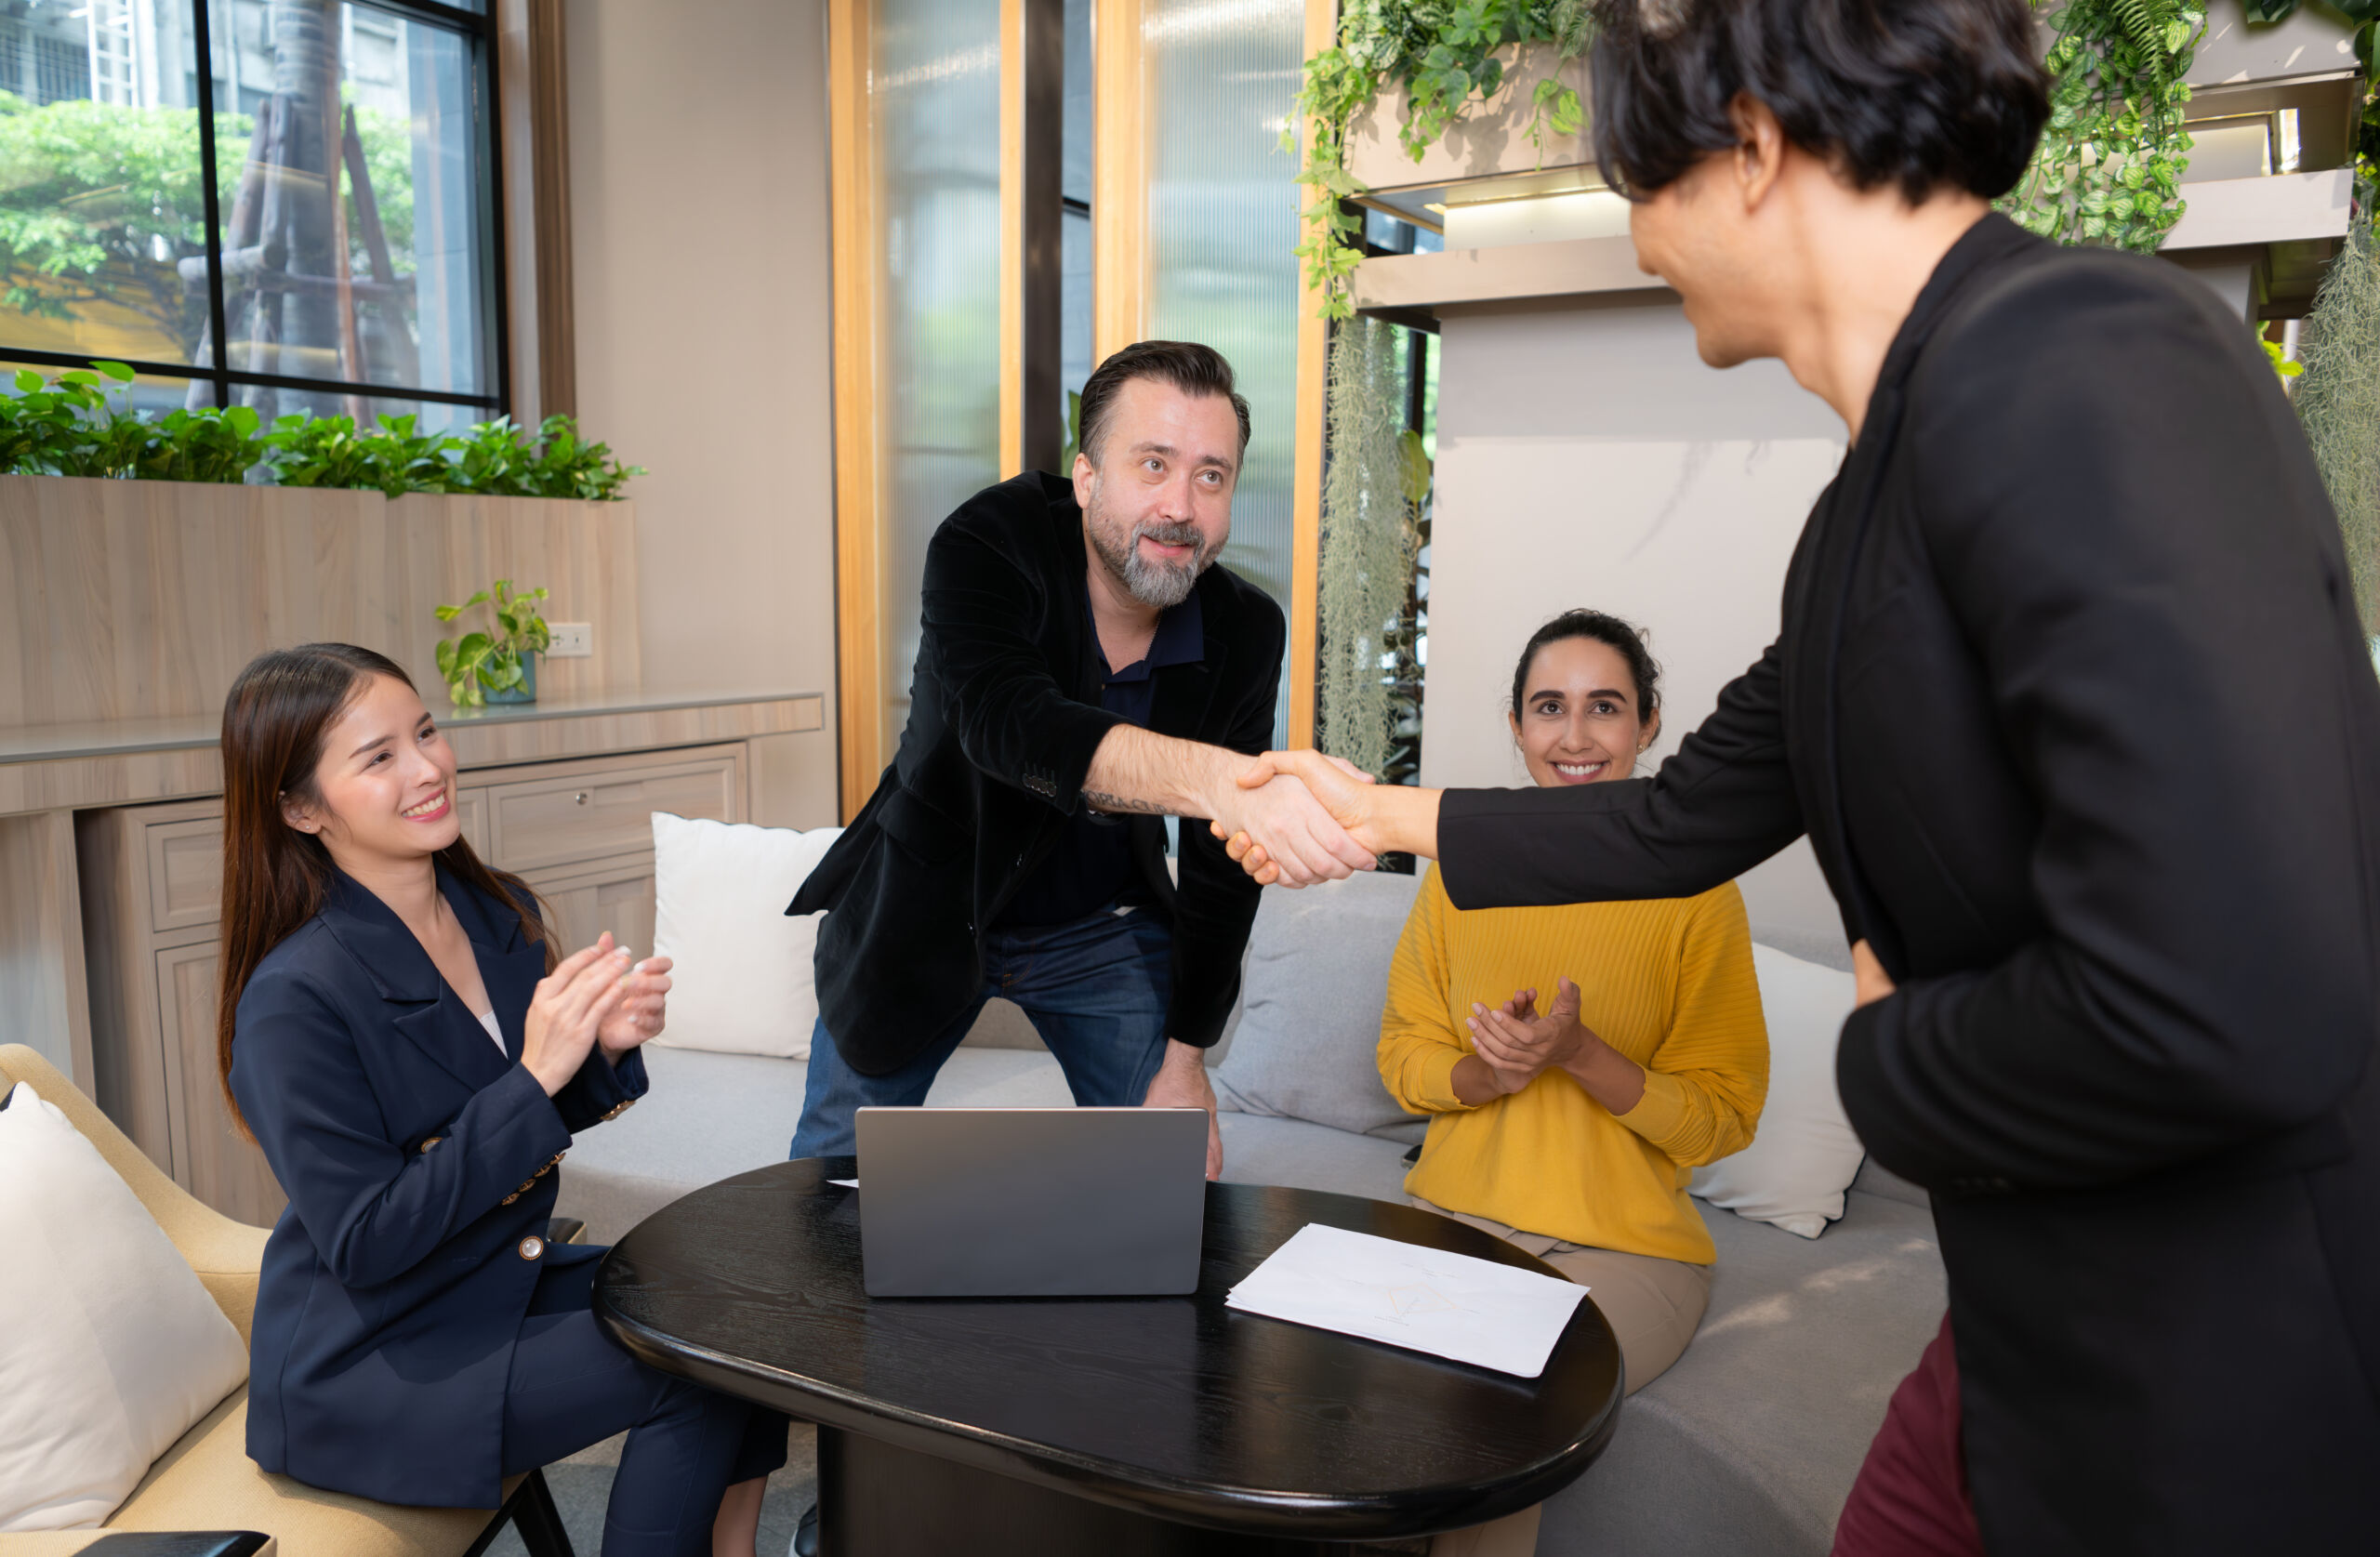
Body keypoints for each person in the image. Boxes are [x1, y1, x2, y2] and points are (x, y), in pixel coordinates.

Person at [1218, 2, 2380, 1553]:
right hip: (2023, 1321)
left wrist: (1889, 1057)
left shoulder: (2092, 360)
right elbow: (1679, 814)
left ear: (1753, 145)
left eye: (1645, 181)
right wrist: (1377, 815)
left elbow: (2240, 997)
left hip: (2222, 1357)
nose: (1639, 237)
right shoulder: (1865, 516)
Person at [220, 644, 788, 1557]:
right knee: (693, 1363)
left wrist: (594, 1054)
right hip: (376, 1357)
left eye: (427, 733)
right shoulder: (294, 999)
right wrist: (534, 1074)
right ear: (299, 807)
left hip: (491, 1278)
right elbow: (367, 1240)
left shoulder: (495, 912)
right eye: (378, 757)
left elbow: (523, 1121)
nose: (427, 767)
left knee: (748, 1303)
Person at [787, 340, 1372, 1179]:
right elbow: (1010, 725)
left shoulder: (1246, 627)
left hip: (1100, 925)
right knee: (822, 1194)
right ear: (1088, 477)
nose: (1181, 505)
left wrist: (1187, 1057)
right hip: (930, 899)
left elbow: (1217, 865)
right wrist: (1225, 785)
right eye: (1153, 464)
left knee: (1172, 1180)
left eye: (1211, 476)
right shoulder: (987, 543)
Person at [1378, 609, 1765, 1404]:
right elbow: (1403, 1054)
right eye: (1550, 706)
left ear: (1648, 723)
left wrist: (1579, 1053)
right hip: (1453, 1219)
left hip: (1626, 1251)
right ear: (1517, 726)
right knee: (1363, 1398)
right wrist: (1491, 1074)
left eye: (1606, 706)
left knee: (1503, 1404)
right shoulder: (1459, 872)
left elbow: (1722, 1116)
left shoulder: (1700, 891)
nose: (1576, 736)